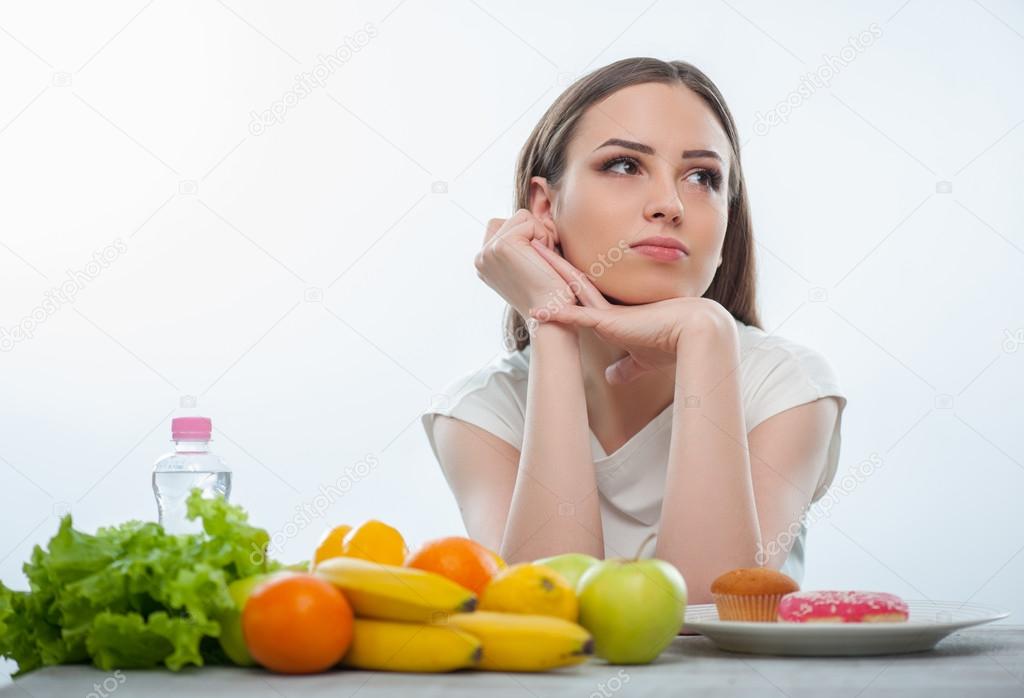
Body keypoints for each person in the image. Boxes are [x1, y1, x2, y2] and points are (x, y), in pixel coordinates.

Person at [421, 57, 847, 603]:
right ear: (545, 205)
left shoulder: (788, 387)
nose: (670, 205)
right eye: (624, 165)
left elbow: (712, 619)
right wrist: (551, 322)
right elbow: (548, 618)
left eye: (702, 177)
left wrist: (707, 336)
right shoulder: (483, 412)